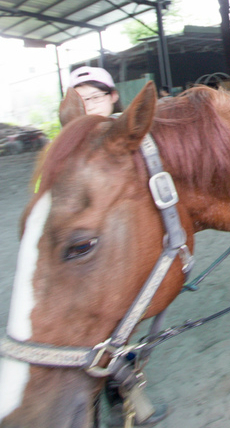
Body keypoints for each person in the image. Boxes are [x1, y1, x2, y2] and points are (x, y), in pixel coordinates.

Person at [68, 66, 169, 427]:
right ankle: (125, 397)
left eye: (94, 97)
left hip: (123, 257)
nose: (88, 107)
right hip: (89, 260)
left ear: (113, 97)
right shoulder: (70, 151)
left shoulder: (138, 142)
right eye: (80, 101)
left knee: (117, 335)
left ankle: (124, 395)